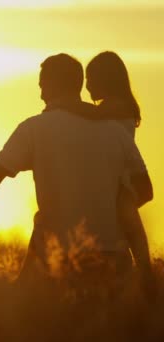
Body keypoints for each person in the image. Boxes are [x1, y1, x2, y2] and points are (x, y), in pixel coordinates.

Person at [0, 54, 153, 294]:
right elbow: (145, 190)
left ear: (52, 85)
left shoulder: (34, 128)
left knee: (38, 324)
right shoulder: (115, 130)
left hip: (59, 260)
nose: (41, 94)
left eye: (42, 86)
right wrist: (104, 206)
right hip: (114, 258)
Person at [85, 51, 156, 300]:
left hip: (121, 173)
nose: (86, 85)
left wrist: (64, 107)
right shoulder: (119, 105)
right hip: (120, 170)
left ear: (105, 79)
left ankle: (146, 273)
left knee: (126, 216)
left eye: (90, 78)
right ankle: (145, 274)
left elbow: (89, 116)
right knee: (127, 223)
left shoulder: (115, 106)